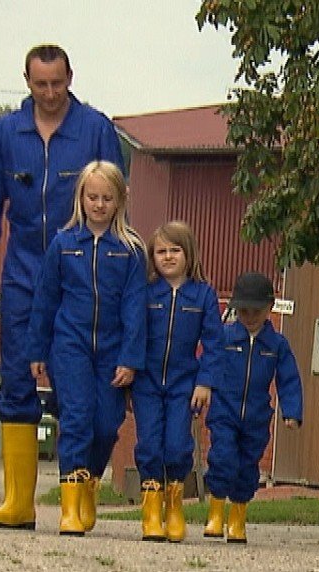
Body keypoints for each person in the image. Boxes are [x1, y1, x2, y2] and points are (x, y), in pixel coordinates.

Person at [0, 44, 124, 530]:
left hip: (84, 278)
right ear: (26, 81)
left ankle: (82, 489)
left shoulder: (96, 130)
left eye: (57, 83)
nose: (49, 93)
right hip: (25, 273)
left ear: (71, 77)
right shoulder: (7, 133)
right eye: (40, 84)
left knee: (92, 391)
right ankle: (18, 503)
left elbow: (118, 202)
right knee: (16, 379)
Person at [28, 160, 147, 536]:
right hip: (70, 346)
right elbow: (45, 300)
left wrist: (130, 358)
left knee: (107, 424)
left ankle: (90, 482)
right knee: (77, 417)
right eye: (92, 197)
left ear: (119, 201)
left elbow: (135, 307)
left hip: (112, 350)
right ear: (81, 197)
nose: (99, 204)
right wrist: (37, 350)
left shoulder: (130, 250)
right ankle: (70, 504)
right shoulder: (63, 245)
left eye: (107, 198)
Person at [131, 220, 222, 542]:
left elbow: (214, 343)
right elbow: (132, 334)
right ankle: (151, 513)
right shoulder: (144, 292)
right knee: (149, 444)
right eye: (161, 251)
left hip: (185, 383)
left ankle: (174, 508)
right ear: (152, 257)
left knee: (177, 446)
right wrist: (128, 372)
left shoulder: (203, 295)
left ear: (189, 254)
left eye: (175, 250)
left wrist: (205, 382)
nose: (168, 257)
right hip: (147, 382)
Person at [202, 271, 303, 544]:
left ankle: (237, 516)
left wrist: (292, 412)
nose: (249, 317)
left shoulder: (277, 345)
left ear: (269, 308)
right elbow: (207, 366)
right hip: (224, 411)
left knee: (247, 466)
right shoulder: (224, 338)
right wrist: (202, 391)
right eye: (243, 311)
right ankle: (215, 512)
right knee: (222, 458)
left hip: (256, 417)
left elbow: (289, 379)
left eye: (255, 311)